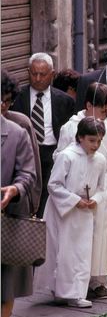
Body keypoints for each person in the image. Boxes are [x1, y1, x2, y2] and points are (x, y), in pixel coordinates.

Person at [54, 82, 107, 299]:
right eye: (102, 110)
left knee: (100, 238)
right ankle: (72, 282)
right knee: (74, 241)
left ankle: (97, 280)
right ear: (88, 105)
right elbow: (59, 155)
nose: (105, 115)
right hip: (75, 194)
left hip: (99, 194)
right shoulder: (70, 127)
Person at [35, 117, 106, 308]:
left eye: (99, 141)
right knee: (62, 251)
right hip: (63, 211)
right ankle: (60, 290)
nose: (96, 145)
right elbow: (54, 184)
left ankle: (76, 292)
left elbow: (103, 186)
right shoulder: (67, 156)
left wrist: (95, 199)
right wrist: (74, 200)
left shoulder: (100, 160)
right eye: (92, 140)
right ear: (80, 137)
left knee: (82, 252)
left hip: (85, 212)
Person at [12, 53, 75, 217]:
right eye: (34, 73)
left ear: (52, 74)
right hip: (26, 152)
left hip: (52, 153)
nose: (38, 78)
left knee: (48, 197)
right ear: (28, 72)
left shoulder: (65, 101)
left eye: (43, 74)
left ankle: (43, 226)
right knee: (25, 195)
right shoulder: (16, 98)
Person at [1, 115, 36, 317]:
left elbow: (28, 174)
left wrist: (14, 189)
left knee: (4, 290)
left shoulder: (16, 133)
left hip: (5, 224)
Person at [1, 69, 42, 214]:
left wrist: (16, 190)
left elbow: (30, 170)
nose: (3, 106)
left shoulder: (19, 127)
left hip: (10, 211)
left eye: (7, 101)